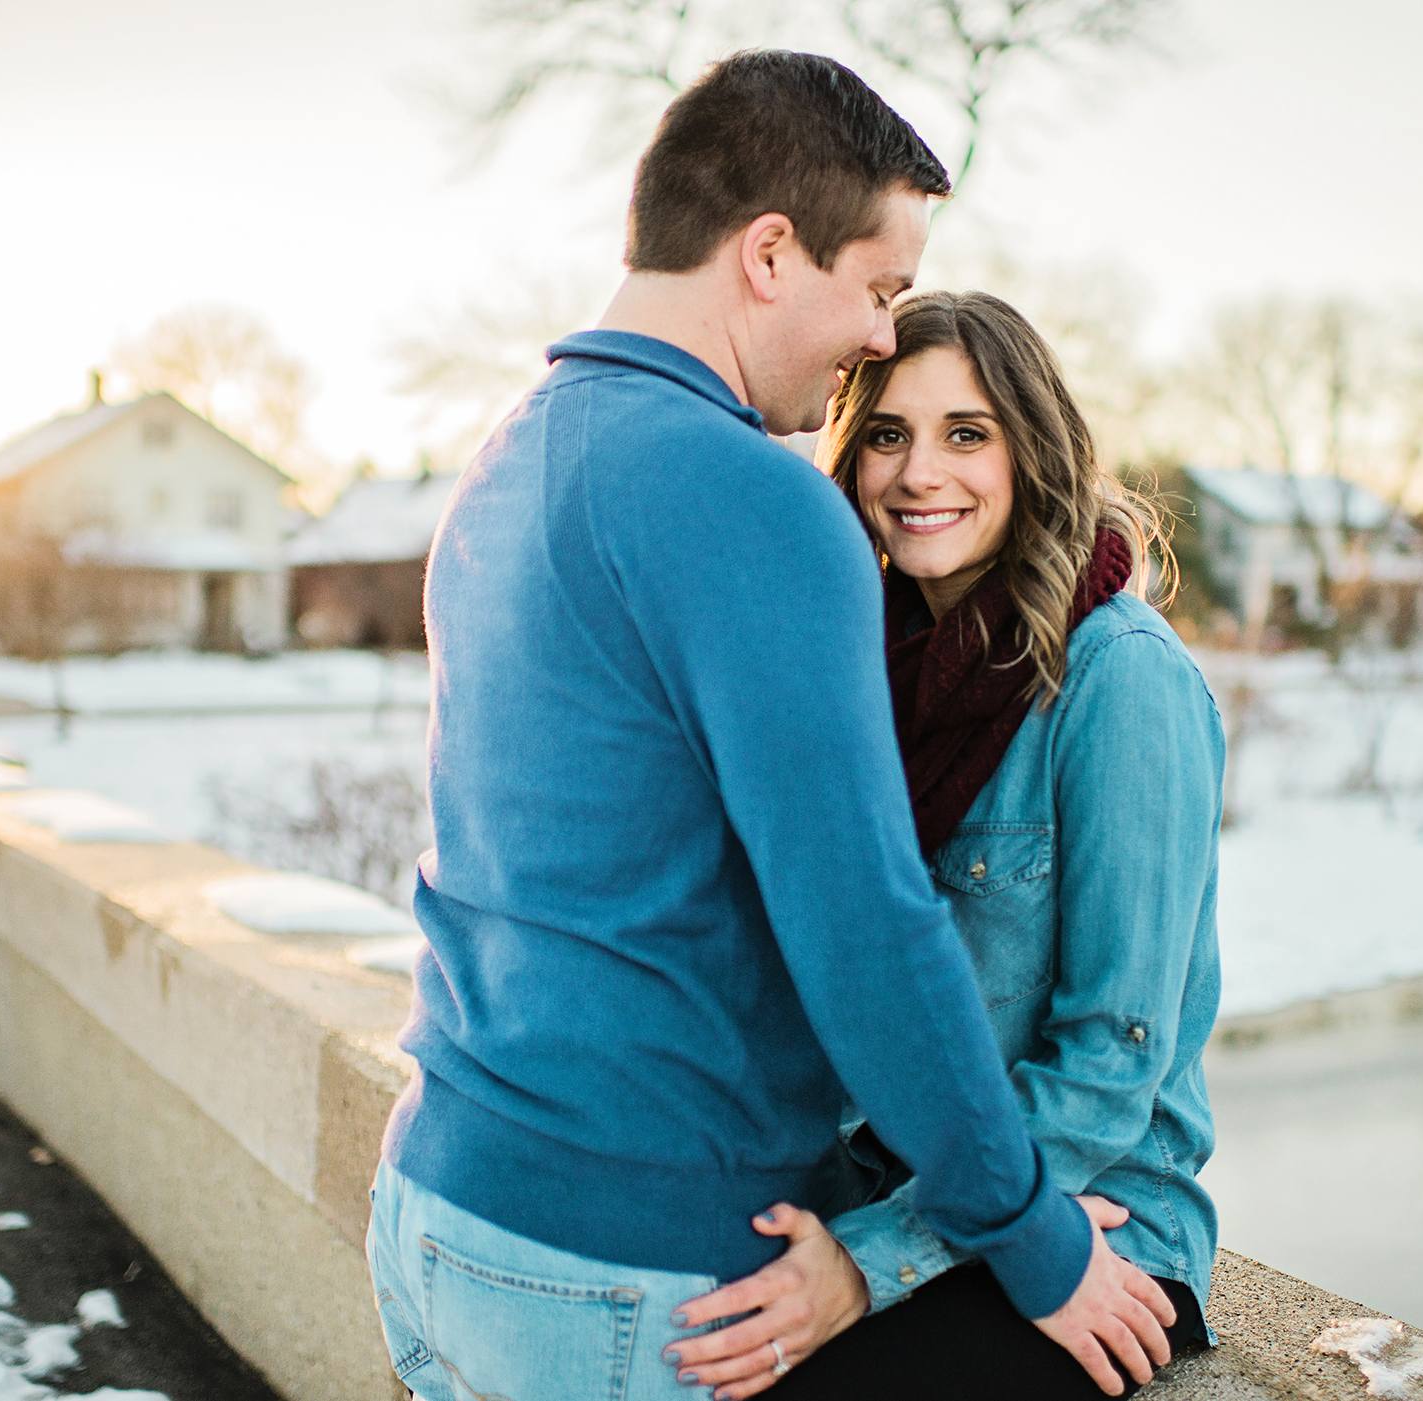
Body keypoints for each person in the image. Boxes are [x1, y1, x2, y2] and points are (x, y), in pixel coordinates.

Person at [365, 53, 1175, 1401]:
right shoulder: (758, 499)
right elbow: (863, 925)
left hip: (435, 1203)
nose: (875, 337)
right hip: (623, 1270)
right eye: (876, 289)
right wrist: (1032, 1238)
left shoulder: (506, 460)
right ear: (768, 253)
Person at [663, 290, 1225, 1400]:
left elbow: (1113, 1062)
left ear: (1036, 451)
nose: (921, 474)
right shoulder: (860, 668)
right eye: (887, 434)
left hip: (1090, 1219)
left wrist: (870, 1265)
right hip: (887, 1178)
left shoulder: (1121, 680)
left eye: (967, 433)